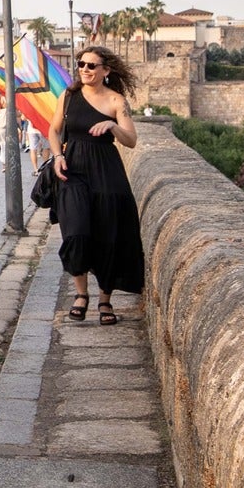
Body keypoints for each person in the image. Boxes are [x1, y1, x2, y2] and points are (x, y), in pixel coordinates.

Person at [50, 46, 144, 324]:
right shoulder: (69, 95)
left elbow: (131, 140)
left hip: (106, 172)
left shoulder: (116, 100)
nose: (85, 69)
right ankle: (81, 294)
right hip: (73, 170)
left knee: (108, 235)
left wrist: (113, 127)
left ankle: (105, 299)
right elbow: (54, 130)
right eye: (81, 64)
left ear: (106, 70)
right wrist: (57, 156)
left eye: (92, 65)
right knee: (75, 232)